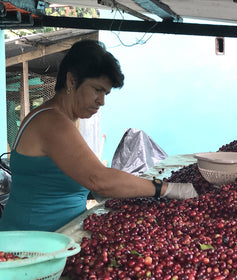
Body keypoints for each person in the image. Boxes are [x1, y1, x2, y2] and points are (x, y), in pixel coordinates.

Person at [0, 40, 198, 232]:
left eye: (106, 94)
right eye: (97, 90)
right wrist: (167, 189)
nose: (101, 101)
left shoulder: (58, 119)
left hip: (54, 235)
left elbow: (68, 179)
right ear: (71, 80)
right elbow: (99, 180)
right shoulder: (52, 122)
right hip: (30, 245)